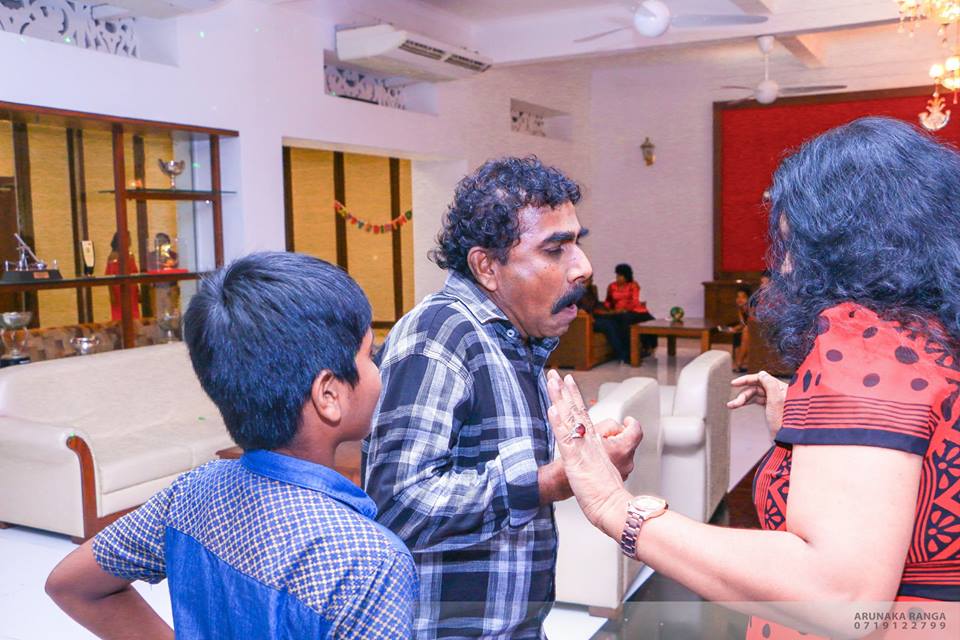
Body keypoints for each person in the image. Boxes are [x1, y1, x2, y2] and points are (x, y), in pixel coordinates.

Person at [543, 117, 960, 639]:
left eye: (792, 242)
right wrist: (812, 423)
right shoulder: (931, 329)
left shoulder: (866, 344)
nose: (783, 266)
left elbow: (837, 596)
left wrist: (615, 506)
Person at [45, 252, 418, 639]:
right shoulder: (371, 562)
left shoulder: (193, 492)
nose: (378, 368)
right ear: (328, 394)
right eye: (369, 354)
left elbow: (71, 584)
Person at [364, 156, 643, 638]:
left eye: (577, 243)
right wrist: (549, 482)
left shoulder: (513, 338)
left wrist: (579, 456)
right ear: (487, 267)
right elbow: (398, 503)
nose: (583, 267)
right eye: (555, 249)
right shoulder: (440, 336)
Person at [593, 263, 656, 362]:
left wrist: (625, 309)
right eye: (617, 275)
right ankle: (628, 351)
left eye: (620, 275)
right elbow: (608, 301)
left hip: (633, 310)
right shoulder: (612, 286)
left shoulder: (633, 285)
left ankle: (648, 346)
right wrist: (607, 309)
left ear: (626, 276)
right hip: (618, 313)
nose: (618, 278)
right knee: (622, 320)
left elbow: (635, 301)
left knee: (649, 320)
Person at [105, 231, 140, 320]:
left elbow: (134, 273)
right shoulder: (113, 256)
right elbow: (109, 276)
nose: (130, 240)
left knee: (133, 314)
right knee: (120, 314)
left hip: (131, 289)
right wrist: (111, 294)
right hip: (119, 290)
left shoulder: (130, 255)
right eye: (128, 238)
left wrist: (138, 290)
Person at [730, 285, 751, 373]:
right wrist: (734, 328)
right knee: (737, 333)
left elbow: (751, 323)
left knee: (745, 330)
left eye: (743, 297)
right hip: (747, 328)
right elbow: (743, 323)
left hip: (754, 329)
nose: (740, 299)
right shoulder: (740, 308)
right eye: (738, 297)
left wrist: (743, 327)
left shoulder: (751, 307)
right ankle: (739, 362)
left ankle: (739, 362)